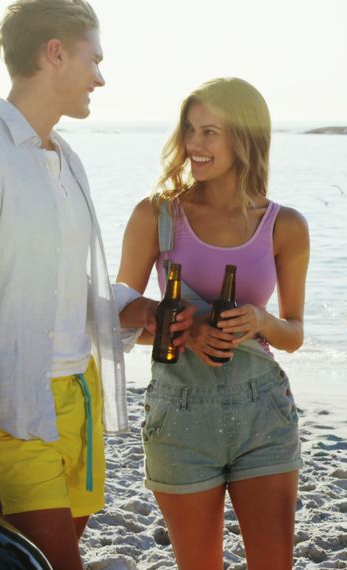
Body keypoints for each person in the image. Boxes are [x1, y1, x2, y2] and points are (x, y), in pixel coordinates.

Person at [0, 2, 177, 568]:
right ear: (55, 53)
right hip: (12, 409)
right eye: (95, 58)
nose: (100, 76)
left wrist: (135, 310)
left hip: (79, 398)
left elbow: (61, 288)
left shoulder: (67, 159)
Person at [116, 77, 309, 569]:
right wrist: (181, 328)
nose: (194, 145)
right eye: (189, 130)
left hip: (262, 411)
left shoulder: (284, 225)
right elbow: (119, 319)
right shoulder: (156, 216)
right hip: (180, 413)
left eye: (210, 132)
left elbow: (293, 334)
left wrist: (260, 320)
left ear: (245, 138)